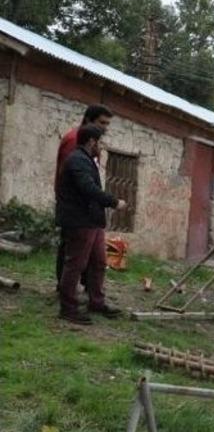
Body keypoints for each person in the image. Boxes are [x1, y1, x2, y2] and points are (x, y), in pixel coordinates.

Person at [55, 125, 126, 325]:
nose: (101, 146)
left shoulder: (85, 160)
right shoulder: (77, 160)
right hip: (79, 220)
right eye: (100, 142)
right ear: (92, 141)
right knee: (75, 265)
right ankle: (68, 308)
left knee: (98, 263)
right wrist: (113, 202)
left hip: (92, 221)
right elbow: (88, 188)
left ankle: (96, 302)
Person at [54, 105, 113, 290]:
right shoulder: (75, 141)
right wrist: (107, 200)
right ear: (88, 120)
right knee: (73, 254)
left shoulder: (90, 142)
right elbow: (76, 179)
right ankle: (66, 293)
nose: (105, 127)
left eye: (107, 124)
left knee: (90, 256)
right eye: (102, 122)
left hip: (87, 207)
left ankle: (87, 291)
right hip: (77, 208)